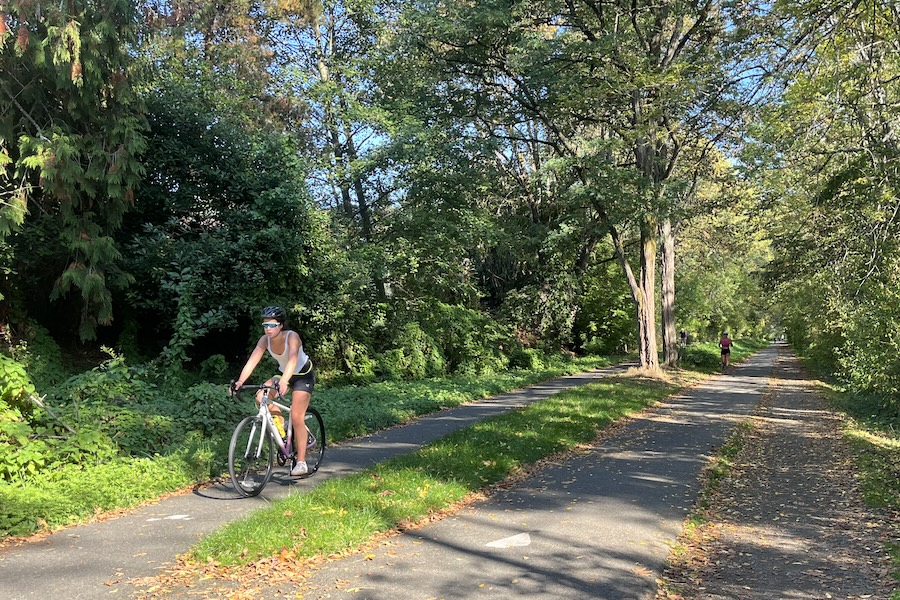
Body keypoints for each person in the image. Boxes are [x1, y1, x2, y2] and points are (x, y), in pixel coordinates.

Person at [233, 306, 315, 476]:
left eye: (272, 325)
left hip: (302, 376)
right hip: (283, 373)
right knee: (260, 397)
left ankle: (301, 462)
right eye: (265, 325)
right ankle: (283, 427)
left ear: (281, 325)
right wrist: (240, 381)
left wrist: (285, 380)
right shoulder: (264, 340)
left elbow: (292, 359)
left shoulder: (292, 337)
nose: (268, 329)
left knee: (297, 416)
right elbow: (252, 361)